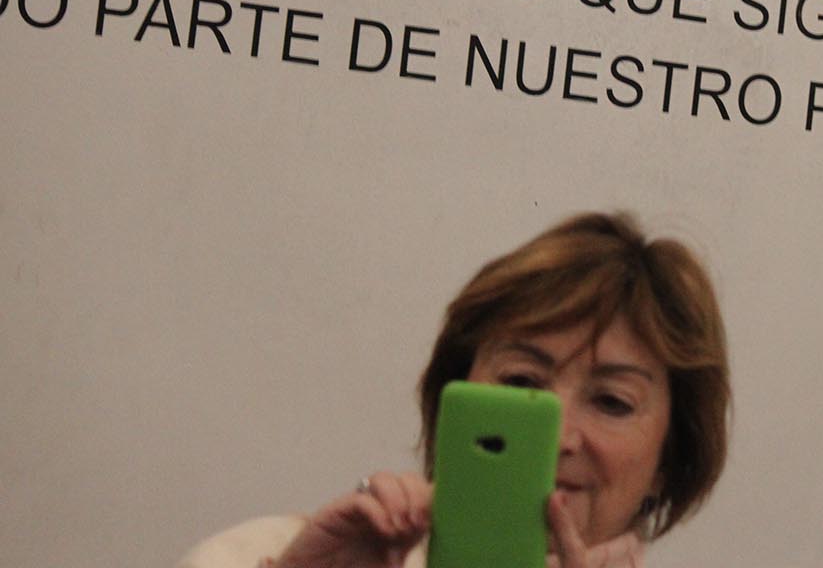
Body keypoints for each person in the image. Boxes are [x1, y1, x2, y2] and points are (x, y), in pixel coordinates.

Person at [176, 212, 730, 568]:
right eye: (520, 382)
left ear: (668, 459)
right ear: (455, 401)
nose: (558, 436)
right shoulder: (257, 557)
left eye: (611, 402)